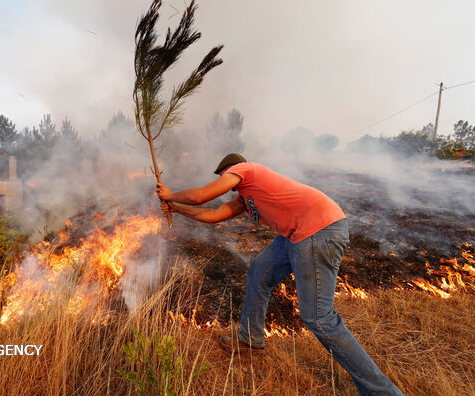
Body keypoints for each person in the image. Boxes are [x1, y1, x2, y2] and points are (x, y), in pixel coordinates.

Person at [156, 153, 402, 396]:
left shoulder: (246, 169)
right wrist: (176, 208)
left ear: (231, 170)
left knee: (318, 318)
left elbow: (200, 197)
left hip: (317, 230)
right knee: (259, 271)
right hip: (294, 235)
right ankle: (250, 340)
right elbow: (213, 215)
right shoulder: (245, 197)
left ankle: (383, 392)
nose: (228, 187)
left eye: (224, 178)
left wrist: (170, 194)